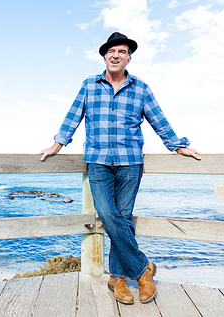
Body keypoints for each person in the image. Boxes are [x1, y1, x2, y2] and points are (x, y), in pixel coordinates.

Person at [40, 32, 201, 305]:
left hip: (130, 162)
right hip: (99, 161)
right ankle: (143, 269)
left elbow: (158, 119)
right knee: (107, 214)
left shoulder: (141, 88)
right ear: (105, 56)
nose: (116, 55)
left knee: (123, 218)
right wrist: (58, 144)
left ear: (128, 58)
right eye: (111, 51)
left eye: (122, 51)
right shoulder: (90, 85)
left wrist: (177, 145)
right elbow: (73, 116)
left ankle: (117, 278)